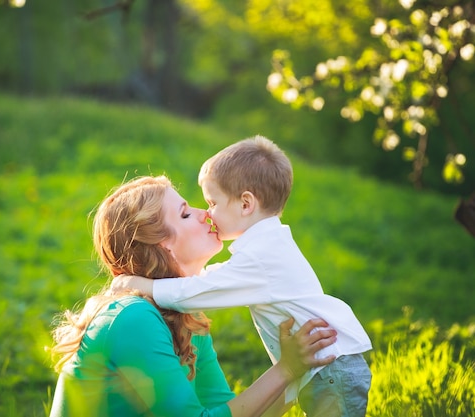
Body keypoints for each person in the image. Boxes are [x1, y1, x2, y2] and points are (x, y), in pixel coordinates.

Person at [113, 137, 373, 417]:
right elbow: (213, 280)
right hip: (327, 367)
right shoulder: (265, 248)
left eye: (212, 203)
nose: (207, 214)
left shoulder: (261, 256)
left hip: (330, 367)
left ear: (245, 204)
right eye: (190, 212)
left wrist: (144, 285)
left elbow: (199, 291)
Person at [49, 175, 338, 417]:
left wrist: (301, 366)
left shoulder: (185, 316)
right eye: (186, 214)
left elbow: (227, 410)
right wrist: (286, 368)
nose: (206, 214)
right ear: (163, 246)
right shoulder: (132, 316)